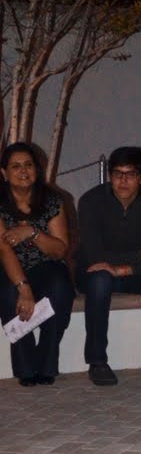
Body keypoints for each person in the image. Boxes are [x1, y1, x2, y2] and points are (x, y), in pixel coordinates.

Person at [78, 146, 141, 384]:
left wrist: (126, 268)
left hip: (134, 273)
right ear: (109, 175)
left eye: (130, 174)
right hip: (94, 272)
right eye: (117, 174)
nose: (123, 181)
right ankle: (97, 361)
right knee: (100, 279)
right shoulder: (91, 201)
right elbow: (94, 255)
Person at [0, 143, 74, 387]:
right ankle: (26, 368)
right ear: (4, 173)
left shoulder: (52, 200)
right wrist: (24, 289)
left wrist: (31, 232)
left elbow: (60, 249)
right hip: (6, 265)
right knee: (10, 293)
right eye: (16, 166)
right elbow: (3, 248)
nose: (23, 171)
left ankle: (47, 360)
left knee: (60, 289)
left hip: (44, 264)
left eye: (28, 165)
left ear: (37, 169)